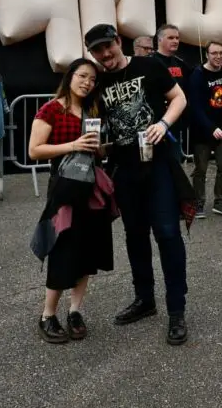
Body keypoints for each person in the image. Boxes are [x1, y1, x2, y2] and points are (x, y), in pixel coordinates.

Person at [85, 23, 194, 346]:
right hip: (123, 167)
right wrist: (95, 144)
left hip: (157, 162)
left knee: (167, 233)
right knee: (134, 235)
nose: (105, 54)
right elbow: (95, 121)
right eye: (97, 50)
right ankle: (144, 298)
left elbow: (179, 98)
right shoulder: (98, 80)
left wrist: (163, 123)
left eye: (108, 46)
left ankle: (177, 310)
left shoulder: (148, 65)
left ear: (119, 42)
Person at [27, 58, 113, 344]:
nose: (87, 82)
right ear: (70, 76)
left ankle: (75, 311)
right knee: (62, 250)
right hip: (64, 188)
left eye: (92, 79)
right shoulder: (51, 109)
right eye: (82, 76)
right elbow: (34, 150)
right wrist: (73, 145)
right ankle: (48, 315)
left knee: (87, 254)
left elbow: (96, 152)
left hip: (91, 188)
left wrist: (100, 148)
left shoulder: (92, 109)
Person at [187, 40, 222, 218]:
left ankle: (219, 202)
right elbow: (195, 106)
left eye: (221, 53)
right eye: (214, 53)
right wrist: (210, 128)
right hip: (203, 130)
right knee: (200, 168)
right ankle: (198, 203)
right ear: (207, 55)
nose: (218, 57)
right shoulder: (198, 74)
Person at [151, 24, 193, 161]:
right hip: (153, 123)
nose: (175, 41)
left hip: (175, 123)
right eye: (171, 37)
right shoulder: (149, 62)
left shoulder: (181, 64)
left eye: (177, 38)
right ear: (160, 40)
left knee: (175, 164)